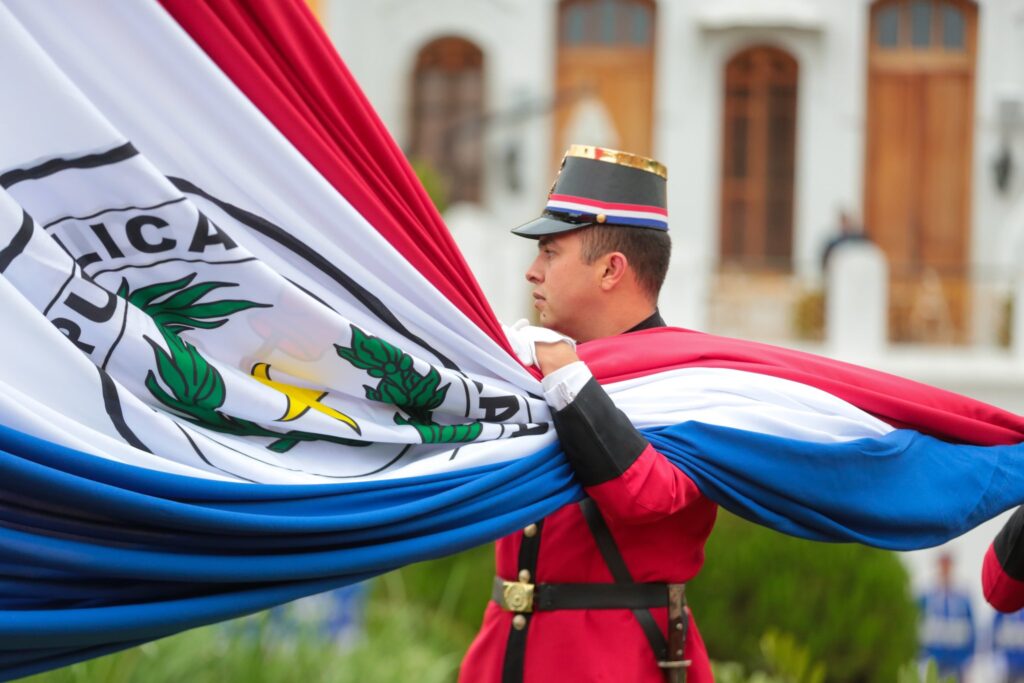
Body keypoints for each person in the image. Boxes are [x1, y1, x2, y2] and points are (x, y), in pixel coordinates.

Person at [459, 145, 716, 682]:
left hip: (614, 663)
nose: (532, 273)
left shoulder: (692, 383)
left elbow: (647, 497)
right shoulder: (537, 369)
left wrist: (562, 370)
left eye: (550, 252)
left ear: (610, 269)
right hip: (503, 656)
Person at [918, 553, 976, 681]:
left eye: (947, 566)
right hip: (933, 659)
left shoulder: (963, 600)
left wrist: (969, 659)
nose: (945, 570)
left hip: (956, 660)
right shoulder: (927, 598)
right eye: (942, 566)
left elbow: (971, 630)